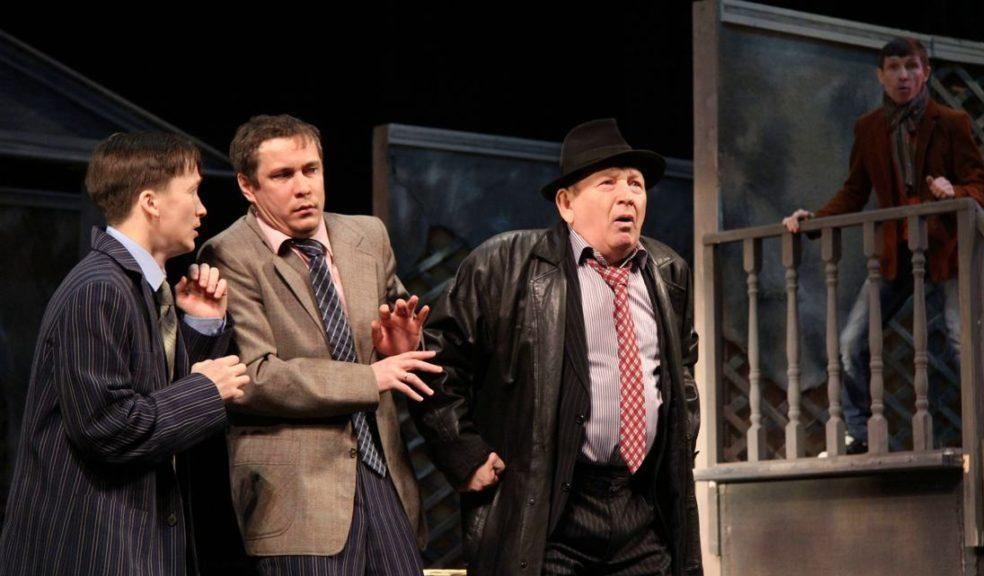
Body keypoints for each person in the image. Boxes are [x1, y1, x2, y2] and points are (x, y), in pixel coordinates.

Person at [412, 118, 703, 575]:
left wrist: (681, 443)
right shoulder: (503, 264)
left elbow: (681, 371)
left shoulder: (668, 272)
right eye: (608, 183)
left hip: (641, 509)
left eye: (636, 184)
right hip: (548, 512)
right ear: (566, 204)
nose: (627, 196)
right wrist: (462, 453)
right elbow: (438, 361)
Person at [0, 132, 248, 575]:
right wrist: (206, 390)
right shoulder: (100, 288)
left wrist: (201, 325)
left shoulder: (137, 288)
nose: (202, 209)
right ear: (150, 202)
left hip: (132, 540)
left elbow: (158, 404)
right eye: (192, 191)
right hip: (94, 549)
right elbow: (108, 428)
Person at [200, 114, 437, 575]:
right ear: (248, 186)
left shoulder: (367, 236)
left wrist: (403, 345)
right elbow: (255, 375)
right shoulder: (230, 254)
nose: (303, 187)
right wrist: (368, 377)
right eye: (283, 175)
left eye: (311, 170)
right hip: (299, 496)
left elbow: (399, 339)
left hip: (383, 474)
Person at [783, 37, 984, 453]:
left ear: (925, 72)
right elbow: (855, 190)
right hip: (896, 253)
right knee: (851, 341)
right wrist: (814, 220)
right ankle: (859, 434)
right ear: (881, 76)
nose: (903, 76)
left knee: (961, 343)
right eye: (894, 68)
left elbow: (981, 188)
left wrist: (954, 191)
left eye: (911, 67)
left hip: (945, 253)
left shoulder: (952, 122)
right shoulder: (870, 127)